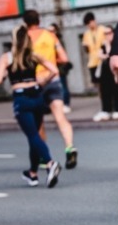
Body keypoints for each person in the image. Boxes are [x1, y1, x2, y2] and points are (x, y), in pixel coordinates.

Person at [0, 25, 62, 188]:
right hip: (37, 96)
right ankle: (32, 173)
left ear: (14, 40)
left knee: (32, 135)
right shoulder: (33, 55)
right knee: (35, 135)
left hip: (21, 98)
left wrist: (4, 75)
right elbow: (54, 70)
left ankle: (50, 163)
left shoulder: (7, 58)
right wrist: (42, 81)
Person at [23, 10, 78, 169]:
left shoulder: (25, 37)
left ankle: (42, 157)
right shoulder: (50, 35)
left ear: (25, 22)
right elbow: (64, 58)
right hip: (53, 79)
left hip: (36, 82)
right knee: (60, 117)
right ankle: (69, 147)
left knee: (38, 122)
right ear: (39, 20)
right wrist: (52, 60)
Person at [94, 26, 118, 121]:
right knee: (105, 90)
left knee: (116, 89)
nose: (107, 35)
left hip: (115, 69)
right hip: (105, 69)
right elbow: (99, 54)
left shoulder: (117, 43)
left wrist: (107, 50)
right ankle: (106, 110)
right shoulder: (104, 44)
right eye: (105, 33)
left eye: (109, 33)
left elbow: (112, 54)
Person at [82, 12, 108, 119]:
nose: (89, 25)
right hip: (92, 62)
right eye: (87, 24)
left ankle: (107, 107)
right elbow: (86, 48)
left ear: (94, 21)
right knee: (98, 85)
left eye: (90, 23)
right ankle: (103, 105)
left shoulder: (103, 30)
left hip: (102, 61)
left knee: (105, 84)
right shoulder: (87, 34)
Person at [48, 23, 73, 112]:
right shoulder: (49, 41)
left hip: (60, 68)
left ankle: (66, 104)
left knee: (63, 86)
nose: (50, 33)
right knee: (55, 87)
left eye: (52, 31)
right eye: (49, 31)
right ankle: (58, 105)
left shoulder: (58, 41)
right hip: (52, 68)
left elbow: (63, 57)